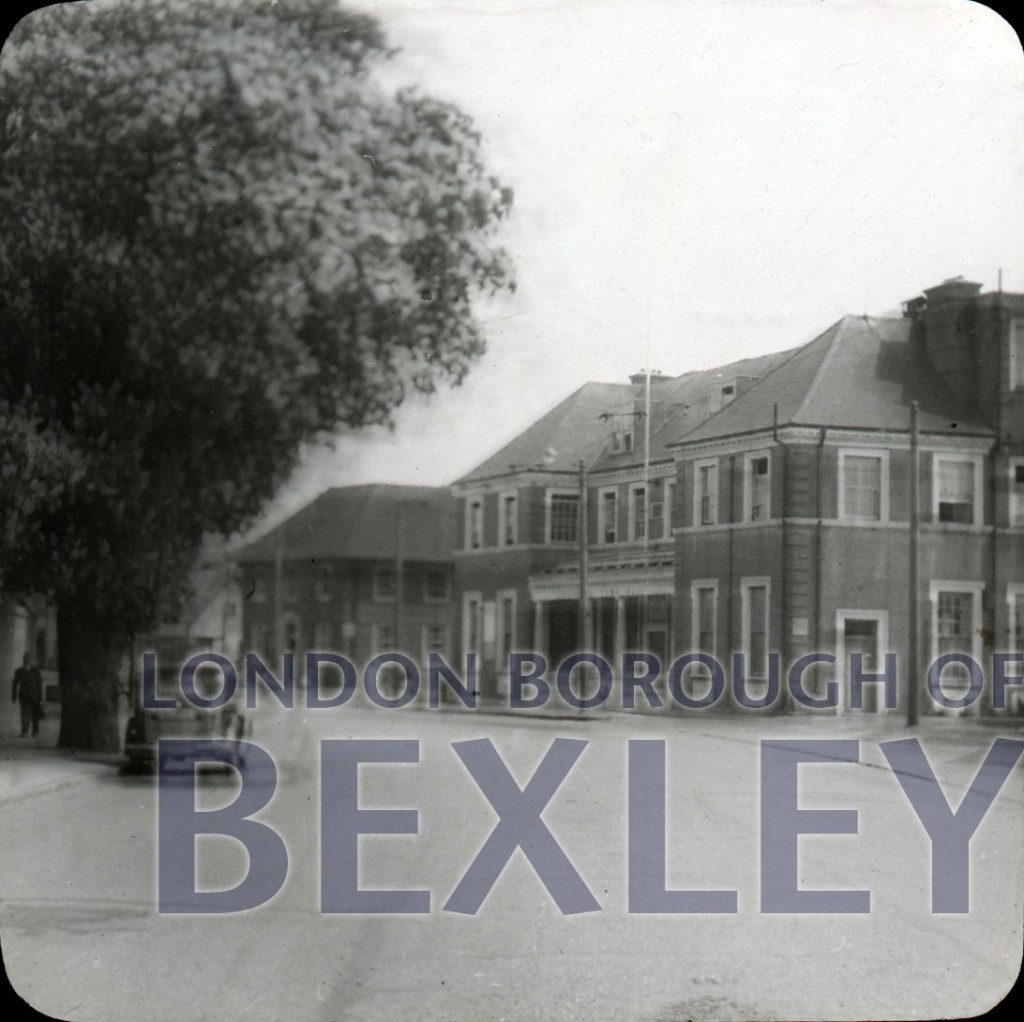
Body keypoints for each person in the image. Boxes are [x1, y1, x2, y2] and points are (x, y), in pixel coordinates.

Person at [11, 653, 43, 737]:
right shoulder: (19, 671)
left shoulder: (36, 671)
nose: (27, 661)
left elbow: (39, 685)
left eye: (29, 659)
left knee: (35, 714)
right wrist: (13, 696)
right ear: (23, 660)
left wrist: (41, 698)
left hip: (35, 695)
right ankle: (24, 730)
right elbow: (15, 684)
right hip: (24, 696)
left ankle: (35, 731)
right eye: (26, 659)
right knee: (25, 713)